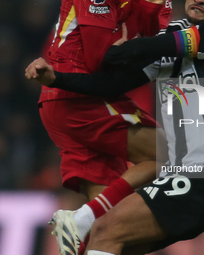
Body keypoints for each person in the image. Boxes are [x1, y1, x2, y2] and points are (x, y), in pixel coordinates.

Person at [26, 0, 204, 254]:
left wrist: (126, 49)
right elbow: (111, 84)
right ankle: (85, 217)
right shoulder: (172, 34)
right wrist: (57, 79)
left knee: (106, 231)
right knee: (111, 242)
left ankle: (84, 216)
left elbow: (151, 46)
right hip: (181, 174)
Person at [28, 0, 172, 254]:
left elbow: (152, 41)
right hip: (79, 101)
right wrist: (132, 52)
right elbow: (100, 62)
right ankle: (81, 217)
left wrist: (134, 45)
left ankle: (84, 220)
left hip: (71, 100)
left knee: (113, 229)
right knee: (166, 152)